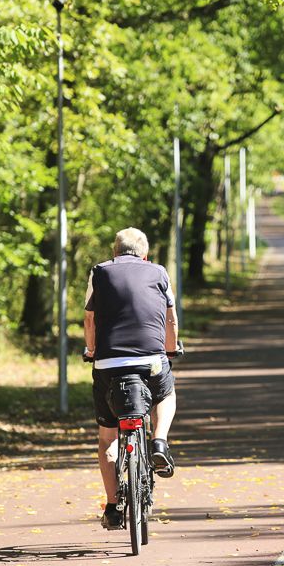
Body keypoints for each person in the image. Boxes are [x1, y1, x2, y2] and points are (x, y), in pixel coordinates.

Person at [84, 227, 178, 530]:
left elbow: (89, 318)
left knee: (107, 439)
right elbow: (171, 317)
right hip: (150, 361)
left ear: (115, 251)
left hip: (109, 365)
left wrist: (91, 350)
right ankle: (159, 441)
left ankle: (112, 506)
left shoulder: (99, 273)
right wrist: (171, 348)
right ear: (145, 254)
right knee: (165, 394)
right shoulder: (159, 272)